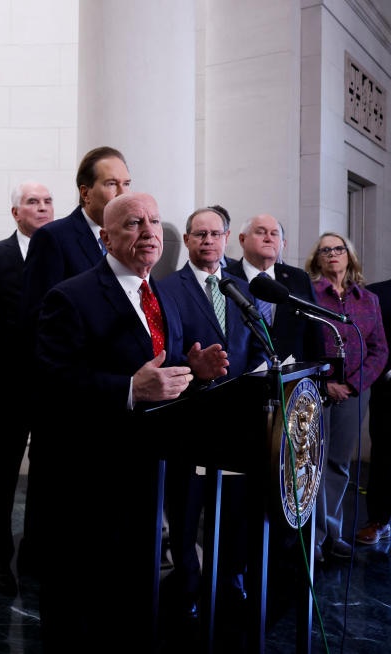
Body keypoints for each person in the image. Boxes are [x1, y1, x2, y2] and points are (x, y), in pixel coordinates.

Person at [34, 193, 228, 649]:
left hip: (151, 471)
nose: (148, 232)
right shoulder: (70, 296)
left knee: (132, 602)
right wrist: (128, 389)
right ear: (105, 237)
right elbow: (53, 383)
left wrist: (192, 369)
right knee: (84, 606)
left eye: (155, 222)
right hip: (91, 480)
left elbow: (163, 363)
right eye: (133, 223)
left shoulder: (157, 290)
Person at [157, 207, 267, 617]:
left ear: (225, 239)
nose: (207, 241)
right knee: (187, 508)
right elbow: (168, 351)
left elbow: (257, 343)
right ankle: (186, 580)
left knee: (235, 508)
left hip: (238, 420)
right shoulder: (167, 288)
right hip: (191, 417)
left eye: (214, 234)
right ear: (186, 240)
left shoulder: (241, 287)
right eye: (199, 234)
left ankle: (228, 577)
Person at [0, 181, 54, 595]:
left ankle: (34, 556)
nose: (42, 208)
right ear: (15, 213)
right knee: (3, 478)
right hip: (8, 388)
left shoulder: (64, 254)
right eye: (32, 202)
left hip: (54, 391)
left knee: (45, 478)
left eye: (47, 201)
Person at [304, 233, 388, 561]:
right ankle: (312, 538)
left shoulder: (368, 300)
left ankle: (330, 534)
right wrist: (326, 384)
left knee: (339, 463)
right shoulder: (309, 295)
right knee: (312, 464)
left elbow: (380, 349)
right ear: (317, 260)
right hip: (316, 391)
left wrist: (353, 385)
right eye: (325, 250)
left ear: (348, 256)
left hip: (355, 393)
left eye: (338, 249)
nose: (332, 254)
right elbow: (301, 345)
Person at [22, 146, 131, 323]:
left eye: (126, 184)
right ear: (85, 193)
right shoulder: (52, 238)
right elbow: (40, 314)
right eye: (111, 183)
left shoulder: (129, 237)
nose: (123, 193)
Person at [225, 214, 322, 363]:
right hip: (242, 379)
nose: (268, 238)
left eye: (274, 234)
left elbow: (314, 333)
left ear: (283, 243)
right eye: (260, 232)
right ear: (242, 239)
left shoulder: (299, 278)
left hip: (292, 379)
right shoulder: (226, 279)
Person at [356, 278, 391, 545]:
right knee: (384, 453)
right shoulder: (377, 293)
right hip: (388, 386)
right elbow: (371, 341)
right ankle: (379, 520)